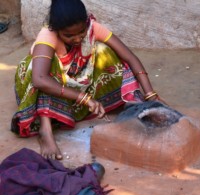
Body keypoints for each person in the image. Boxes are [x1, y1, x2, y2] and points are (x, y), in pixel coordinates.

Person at [11, 0, 164, 160]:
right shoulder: (48, 35)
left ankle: (123, 101)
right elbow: (39, 79)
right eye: (69, 35)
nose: (77, 39)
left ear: (86, 23)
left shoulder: (92, 27)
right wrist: (84, 98)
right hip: (41, 87)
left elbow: (130, 57)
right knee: (50, 67)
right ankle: (45, 129)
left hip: (73, 84)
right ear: (56, 30)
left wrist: (150, 95)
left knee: (104, 51)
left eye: (81, 32)